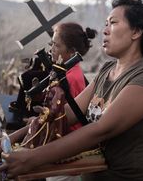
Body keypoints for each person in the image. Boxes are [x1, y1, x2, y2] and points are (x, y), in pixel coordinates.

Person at [0, 0, 143, 180]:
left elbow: (102, 129)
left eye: (113, 23)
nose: (105, 30)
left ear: (136, 31)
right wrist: (13, 138)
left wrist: (32, 158)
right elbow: (67, 114)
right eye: (106, 23)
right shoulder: (106, 70)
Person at [46, 22, 97, 181]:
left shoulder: (70, 78)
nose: (51, 49)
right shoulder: (68, 72)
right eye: (51, 44)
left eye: (57, 45)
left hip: (66, 148)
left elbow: (67, 117)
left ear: (72, 52)